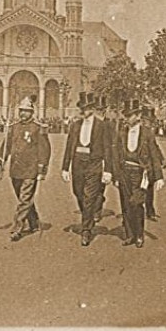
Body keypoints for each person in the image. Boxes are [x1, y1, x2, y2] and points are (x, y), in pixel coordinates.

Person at [0, 98, 52, 242]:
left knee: (24, 199)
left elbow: (45, 150)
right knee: (23, 198)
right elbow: (6, 146)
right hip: (15, 169)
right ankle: (34, 222)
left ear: (31, 112)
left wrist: (41, 170)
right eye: (21, 111)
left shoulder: (38, 128)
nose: (23, 113)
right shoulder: (13, 127)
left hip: (30, 170)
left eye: (26, 111)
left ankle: (17, 228)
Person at [110, 100, 165, 248]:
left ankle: (139, 234)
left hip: (140, 173)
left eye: (130, 115)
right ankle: (129, 235)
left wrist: (159, 176)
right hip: (124, 172)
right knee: (126, 204)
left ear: (138, 115)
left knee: (137, 203)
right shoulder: (121, 132)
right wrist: (115, 176)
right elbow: (115, 155)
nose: (127, 118)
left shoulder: (147, 133)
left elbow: (153, 154)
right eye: (126, 115)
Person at [60, 92, 113, 247]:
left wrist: (108, 170)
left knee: (89, 197)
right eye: (81, 108)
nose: (83, 111)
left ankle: (86, 230)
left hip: (94, 165)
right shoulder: (75, 125)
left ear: (92, 108)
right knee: (78, 193)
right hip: (77, 165)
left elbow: (107, 149)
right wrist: (65, 167)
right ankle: (87, 215)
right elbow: (69, 147)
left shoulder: (102, 125)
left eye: (86, 108)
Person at [142, 107, 166, 221]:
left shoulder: (150, 132)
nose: (149, 123)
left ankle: (150, 211)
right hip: (140, 164)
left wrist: (161, 159)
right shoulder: (139, 131)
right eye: (148, 121)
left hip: (150, 164)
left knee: (150, 189)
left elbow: (155, 147)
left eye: (150, 121)